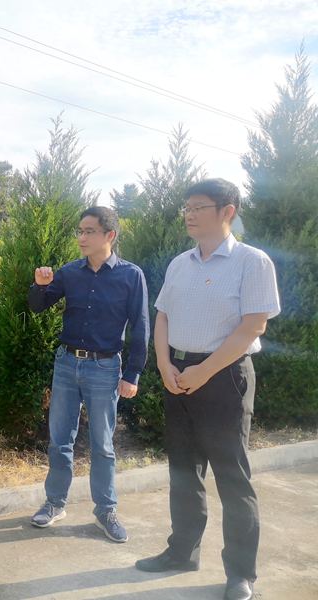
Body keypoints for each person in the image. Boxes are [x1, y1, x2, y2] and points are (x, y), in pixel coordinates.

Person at [135, 179, 280, 600]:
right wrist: (164, 363)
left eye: (198, 207)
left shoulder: (252, 262)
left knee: (232, 476)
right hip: (178, 373)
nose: (189, 214)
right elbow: (162, 315)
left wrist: (204, 371)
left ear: (227, 211)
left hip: (225, 376)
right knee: (183, 470)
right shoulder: (180, 263)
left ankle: (240, 574)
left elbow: (253, 326)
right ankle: (182, 552)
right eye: (187, 207)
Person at [28, 205, 149, 543]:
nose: (82, 237)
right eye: (80, 231)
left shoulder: (131, 275)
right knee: (60, 440)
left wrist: (133, 374)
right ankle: (54, 503)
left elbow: (141, 326)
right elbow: (38, 305)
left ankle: (105, 510)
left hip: (105, 368)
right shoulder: (70, 272)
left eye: (89, 231)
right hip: (67, 364)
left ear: (110, 235)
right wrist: (40, 286)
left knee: (103, 444)